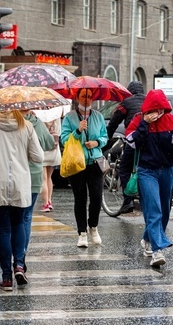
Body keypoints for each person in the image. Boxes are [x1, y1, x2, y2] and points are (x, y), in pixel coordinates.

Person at [0, 110, 44, 291]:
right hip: (20, 183)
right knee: (19, 224)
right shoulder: (26, 126)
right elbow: (39, 157)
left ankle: (6, 278)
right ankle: (19, 265)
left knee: (3, 229)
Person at [123, 89, 173, 267]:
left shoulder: (171, 120)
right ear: (147, 109)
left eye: (160, 110)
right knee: (153, 208)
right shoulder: (138, 120)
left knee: (165, 210)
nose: (157, 113)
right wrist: (143, 123)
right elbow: (132, 142)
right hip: (146, 171)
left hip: (166, 170)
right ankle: (157, 250)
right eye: (154, 110)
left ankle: (148, 239)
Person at [61, 89, 108, 248]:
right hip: (77, 163)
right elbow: (65, 139)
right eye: (84, 96)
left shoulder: (98, 116)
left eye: (89, 96)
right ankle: (82, 233)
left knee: (96, 198)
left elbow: (104, 136)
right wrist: (78, 130)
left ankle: (93, 227)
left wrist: (97, 143)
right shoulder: (69, 117)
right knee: (80, 199)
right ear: (77, 97)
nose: (87, 99)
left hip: (95, 162)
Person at [106, 80, 146, 214]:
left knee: (124, 168)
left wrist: (106, 139)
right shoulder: (148, 100)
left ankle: (128, 200)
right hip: (150, 140)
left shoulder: (126, 102)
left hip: (134, 138)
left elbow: (113, 122)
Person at [22, 110, 54, 262]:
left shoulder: (1, 122)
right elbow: (49, 143)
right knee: (26, 217)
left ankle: (13, 259)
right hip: (34, 175)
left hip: (13, 176)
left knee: (12, 220)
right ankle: (22, 255)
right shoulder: (35, 122)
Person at [41, 117, 62, 212]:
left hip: (42, 150)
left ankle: (45, 204)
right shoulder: (56, 116)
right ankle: (49, 201)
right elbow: (59, 132)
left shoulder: (39, 116)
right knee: (49, 177)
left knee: (43, 179)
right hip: (53, 149)